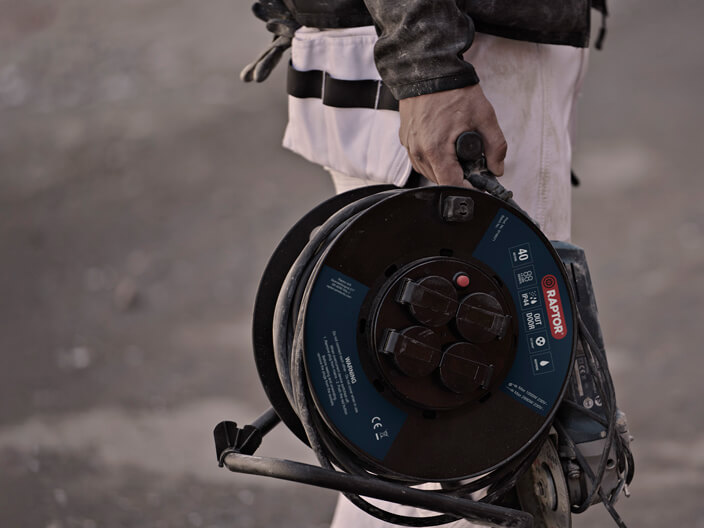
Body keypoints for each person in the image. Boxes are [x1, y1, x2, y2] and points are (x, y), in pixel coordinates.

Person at [244, 0, 605, 526]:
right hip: (460, 57)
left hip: (435, 47)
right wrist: (428, 67)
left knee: (409, 459)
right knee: (462, 472)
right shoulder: (437, 61)